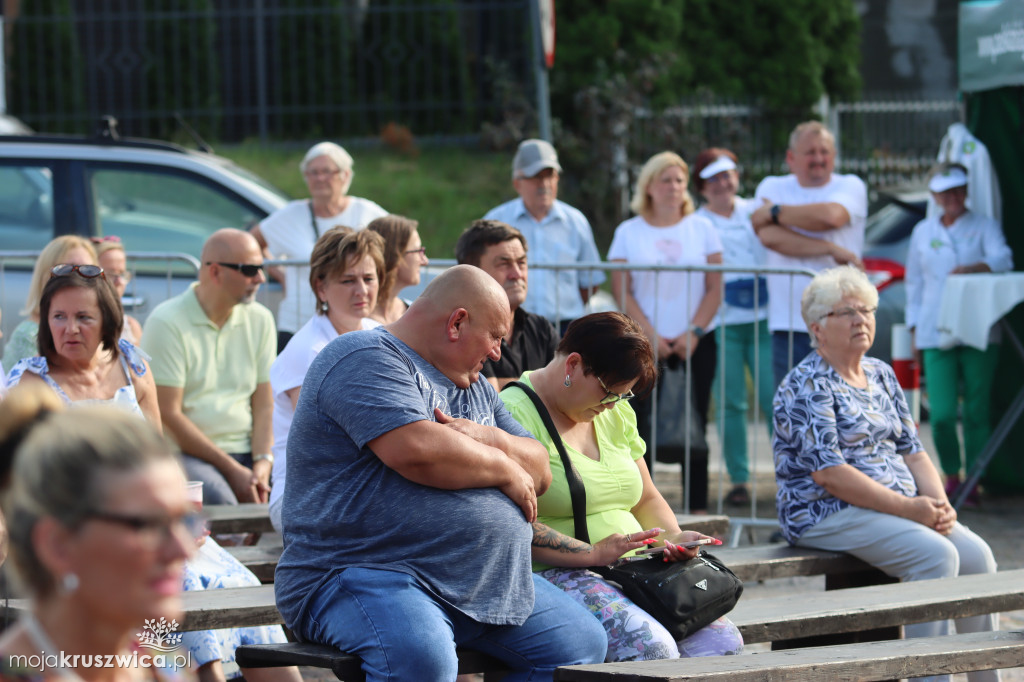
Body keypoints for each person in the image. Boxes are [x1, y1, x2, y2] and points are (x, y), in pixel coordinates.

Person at [275, 265, 608, 682]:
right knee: (422, 660)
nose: (497, 355)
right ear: (457, 323)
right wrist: (504, 467)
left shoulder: (479, 388)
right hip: (366, 572)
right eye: (495, 337)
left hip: (480, 580)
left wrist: (490, 438)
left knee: (579, 643)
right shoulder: (362, 356)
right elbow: (416, 451)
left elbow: (541, 468)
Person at [774, 266, 998, 682]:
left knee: (976, 556)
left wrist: (939, 507)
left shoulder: (880, 373)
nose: (861, 320)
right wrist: (913, 510)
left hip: (898, 507)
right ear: (817, 329)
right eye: (847, 312)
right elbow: (830, 475)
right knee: (936, 556)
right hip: (823, 511)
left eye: (867, 310)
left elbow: (913, 452)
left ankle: (984, 677)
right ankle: (929, 677)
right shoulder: (806, 384)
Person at [501, 311, 744, 661]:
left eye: (623, 396)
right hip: (556, 573)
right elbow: (510, 526)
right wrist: (591, 554)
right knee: (653, 650)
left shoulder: (613, 410)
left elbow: (645, 495)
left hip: (633, 569)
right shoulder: (512, 413)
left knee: (723, 645)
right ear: (572, 365)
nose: (612, 405)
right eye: (609, 393)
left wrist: (672, 539)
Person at [0, 383, 194, 681]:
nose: (183, 549)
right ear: (59, 545)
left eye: (183, 520)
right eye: (146, 525)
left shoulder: (163, 662)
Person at [608, 151, 723, 513]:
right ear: (649, 187)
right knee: (639, 427)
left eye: (679, 180)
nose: (674, 187)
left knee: (696, 420)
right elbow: (622, 288)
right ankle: (644, 507)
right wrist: (650, 335)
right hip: (644, 344)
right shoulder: (629, 231)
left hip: (697, 343)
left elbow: (715, 288)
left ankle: (698, 509)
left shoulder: (703, 228)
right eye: (665, 180)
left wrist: (694, 332)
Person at [141, 229, 276, 506]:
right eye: (250, 269)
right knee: (224, 502)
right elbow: (168, 414)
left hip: (247, 452)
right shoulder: (166, 321)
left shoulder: (261, 319)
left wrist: (263, 461)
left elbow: (265, 404)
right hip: (188, 455)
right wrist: (232, 469)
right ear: (215, 272)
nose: (260, 278)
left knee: (299, 493)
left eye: (261, 268)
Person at [905, 163, 1013, 504]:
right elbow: (915, 283)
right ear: (935, 195)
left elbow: (1004, 259)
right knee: (942, 414)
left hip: (977, 325)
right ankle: (952, 475)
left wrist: (973, 268)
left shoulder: (984, 225)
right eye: (944, 191)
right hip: (936, 328)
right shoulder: (923, 231)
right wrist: (914, 329)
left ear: (966, 191)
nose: (951, 197)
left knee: (978, 409)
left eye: (957, 190)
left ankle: (975, 479)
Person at [268, 228, 384, 531]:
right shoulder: (309, 350)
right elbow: (325, 447)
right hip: (303, 498)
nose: (361, 290)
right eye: (348, 280)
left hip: (360, 489)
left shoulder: (379, 333)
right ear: (321, 287)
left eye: (368, 278)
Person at [750, 121, 868, 387]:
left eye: (824, 152)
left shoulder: (851, 185)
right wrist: (829, 248)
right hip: (788, 324)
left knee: (844, 410)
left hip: (842, 321)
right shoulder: (771, 186)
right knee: (794, 413)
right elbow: (770, 237)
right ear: (791, 158)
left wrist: (775, 212)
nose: (818, 159)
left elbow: (831, 217)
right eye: (810, 152)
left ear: (834, 156)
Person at [693, 148, 775, 506]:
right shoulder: (697, 221)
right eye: (714, 178)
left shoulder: (755, 209)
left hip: (765, 318)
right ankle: (739, 478)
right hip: (723, 322)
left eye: (727, 175)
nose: (723, 183)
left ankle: (789, 473)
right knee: (731, 405)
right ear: (702, 186)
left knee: (775, 398)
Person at [250, 141, 387, 349]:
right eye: (312, 172)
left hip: (351, 327)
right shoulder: (291, 215)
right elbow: (251, 244)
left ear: (345, 176)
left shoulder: (367, 213)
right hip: (297, 323)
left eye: (327, 171)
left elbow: (397, 249)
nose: (319, 178)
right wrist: (281, 273)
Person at [6, 264, 160, 429]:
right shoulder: (30, 382)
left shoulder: (133, 366)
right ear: (46, 321)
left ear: (106, 321)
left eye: (83, 317)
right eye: (59, 316)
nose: (71, 329)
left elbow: (158, 447)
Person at [483, 139, 605, 333]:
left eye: (550, 175)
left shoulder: (576, 221)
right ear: (517, 183)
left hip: (566, 326)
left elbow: (590, 282)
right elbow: (480, 277)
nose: (545, 184)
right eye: (536, 177)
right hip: (510, 326)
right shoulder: (496, 221)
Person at [455, 218, 558, 390]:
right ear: (472, 271)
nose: (517, 274)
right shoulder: (458, 331)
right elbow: (487, 401)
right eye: (504, 264)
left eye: (521, 263)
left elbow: (567, 393)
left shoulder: (541, 329)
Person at [2, 235, 97, 369]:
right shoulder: (28, 335)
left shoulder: (97, 328)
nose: (79, 278)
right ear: (46, 276)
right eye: (68, 270)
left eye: (88, 270)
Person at [366, 214, 429, 324]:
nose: (424, 261)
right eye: (418, 251)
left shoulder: (414, 313)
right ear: (395, 256)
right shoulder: (354, 321)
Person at [92, 235, 145, 343]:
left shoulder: (131, 327)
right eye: (110, 274)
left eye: (122, 274)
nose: (119, 282)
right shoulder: (81, 327)